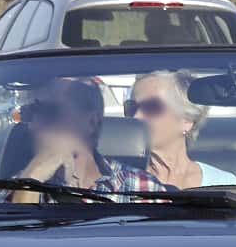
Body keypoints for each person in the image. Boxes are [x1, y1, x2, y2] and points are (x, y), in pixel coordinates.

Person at [12, 77, 166, 200]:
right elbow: (6, 238)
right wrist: (29, 183)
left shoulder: (144, 191)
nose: (34, 125)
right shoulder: (13, 189)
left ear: (92, 123)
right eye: (30, 112)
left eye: (50, 111)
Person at [129, 71, 236, 189]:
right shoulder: (120, 181)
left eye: (151, 107)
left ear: (187, 120)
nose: (136, 116)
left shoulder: (223, 183)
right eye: (131, 107)